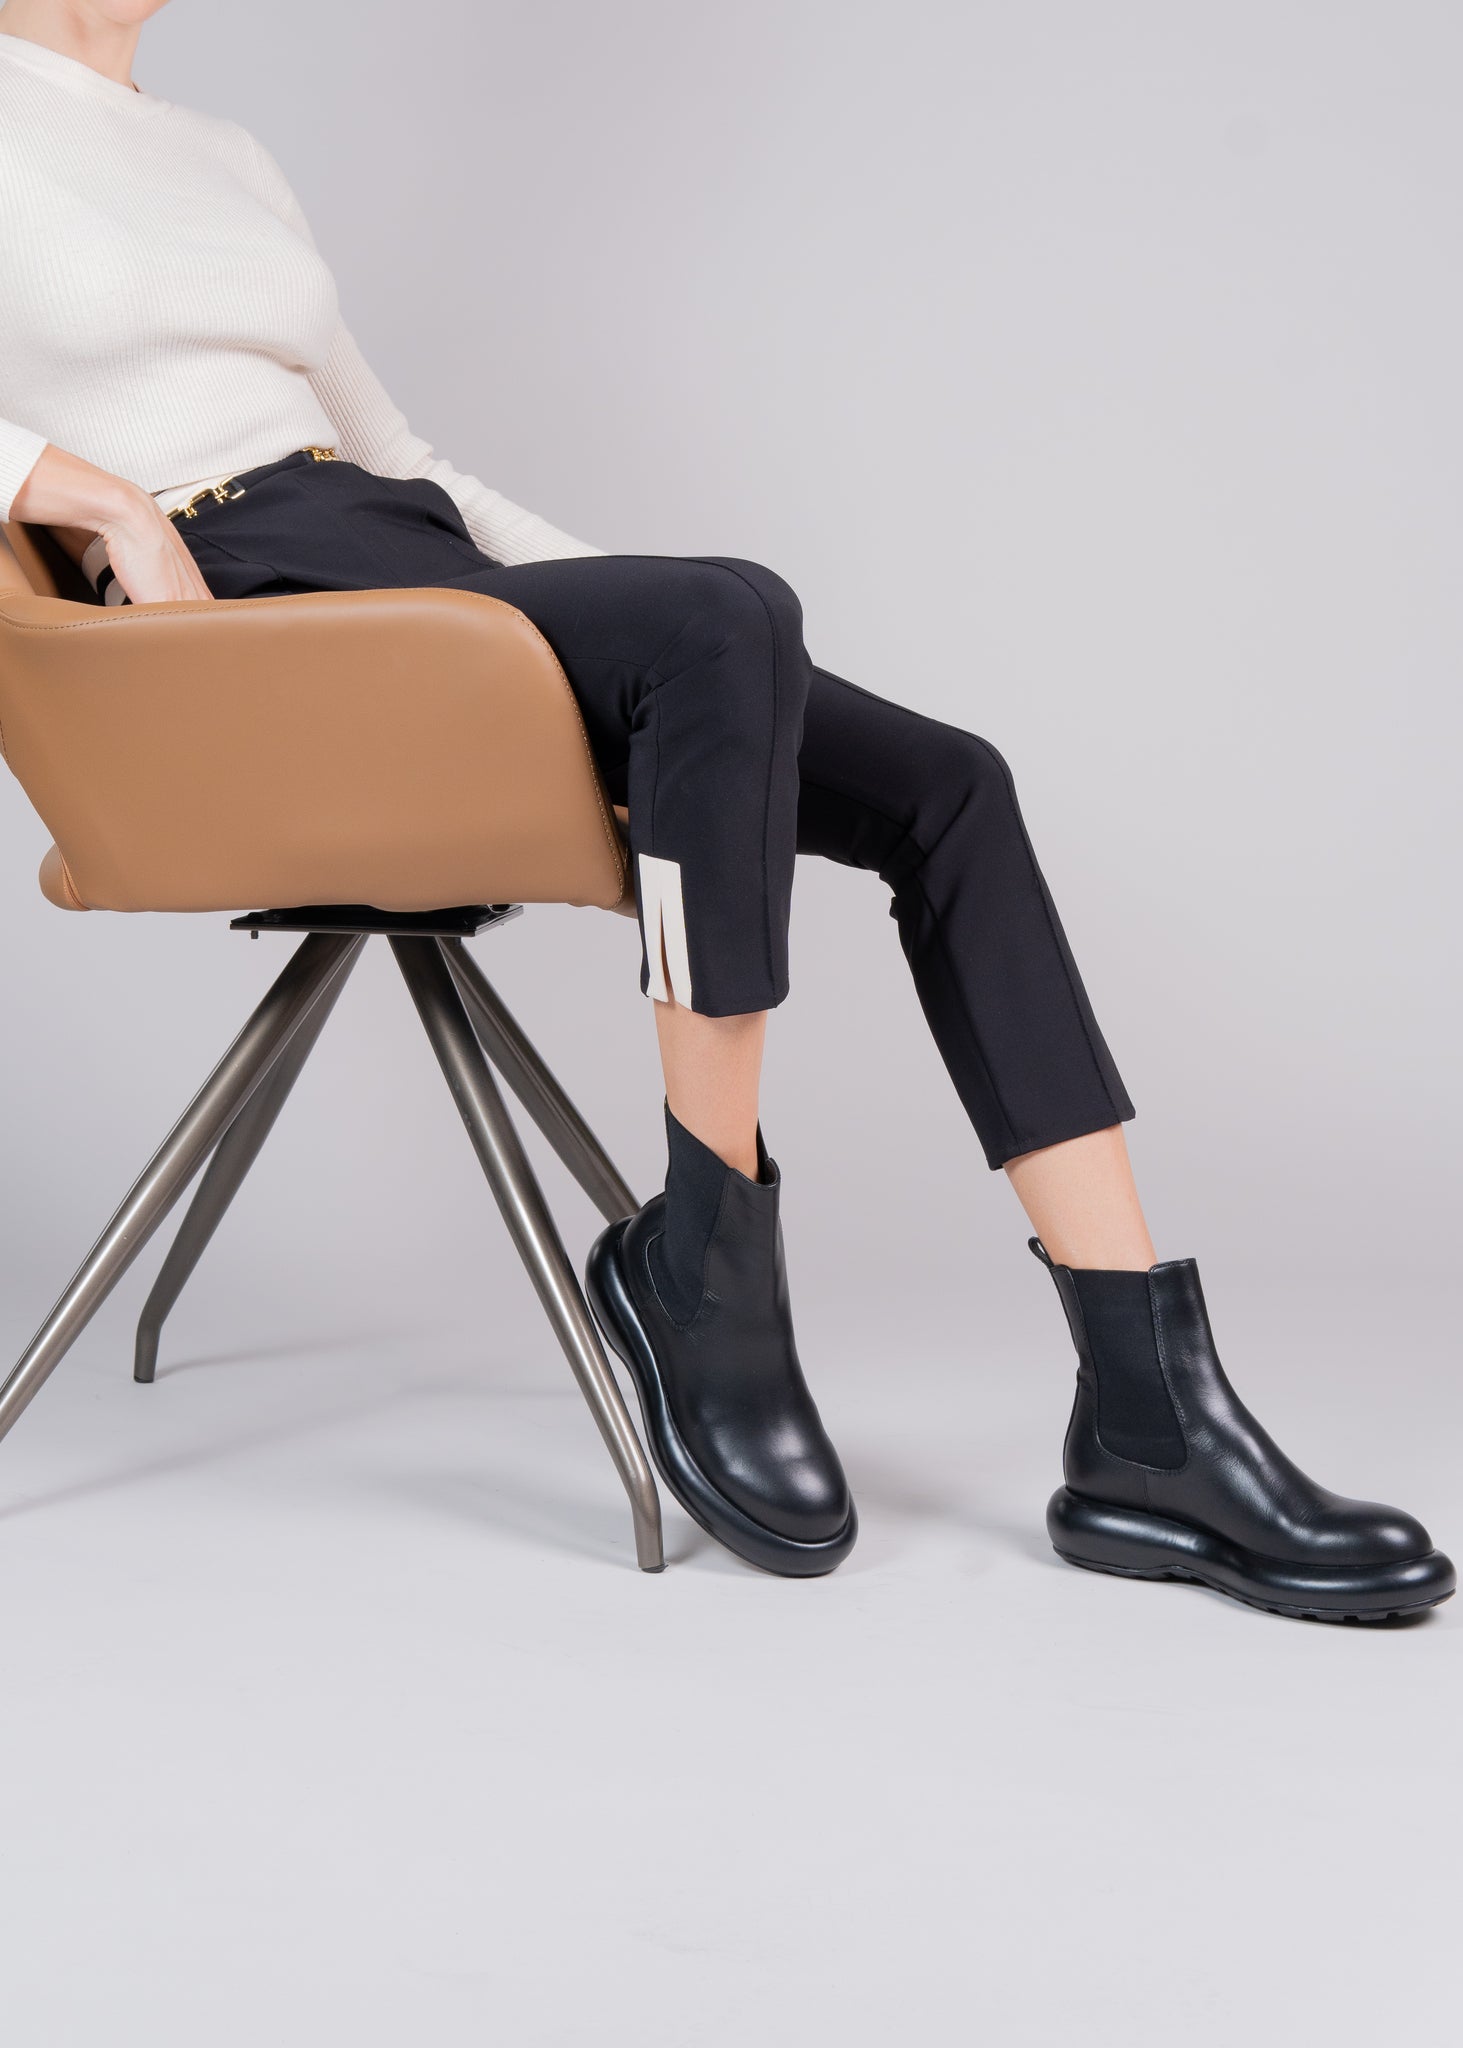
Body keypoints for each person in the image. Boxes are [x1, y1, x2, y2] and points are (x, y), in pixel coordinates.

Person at [0, 0, 1451, 1618]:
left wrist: (681, 655)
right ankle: (706, 1263)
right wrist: (96, 501)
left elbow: (402, 455)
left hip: (412, 585)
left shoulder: (222, 153)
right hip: (241, 625)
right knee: (723, 616)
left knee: (944, 784)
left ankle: (1148, 1421)